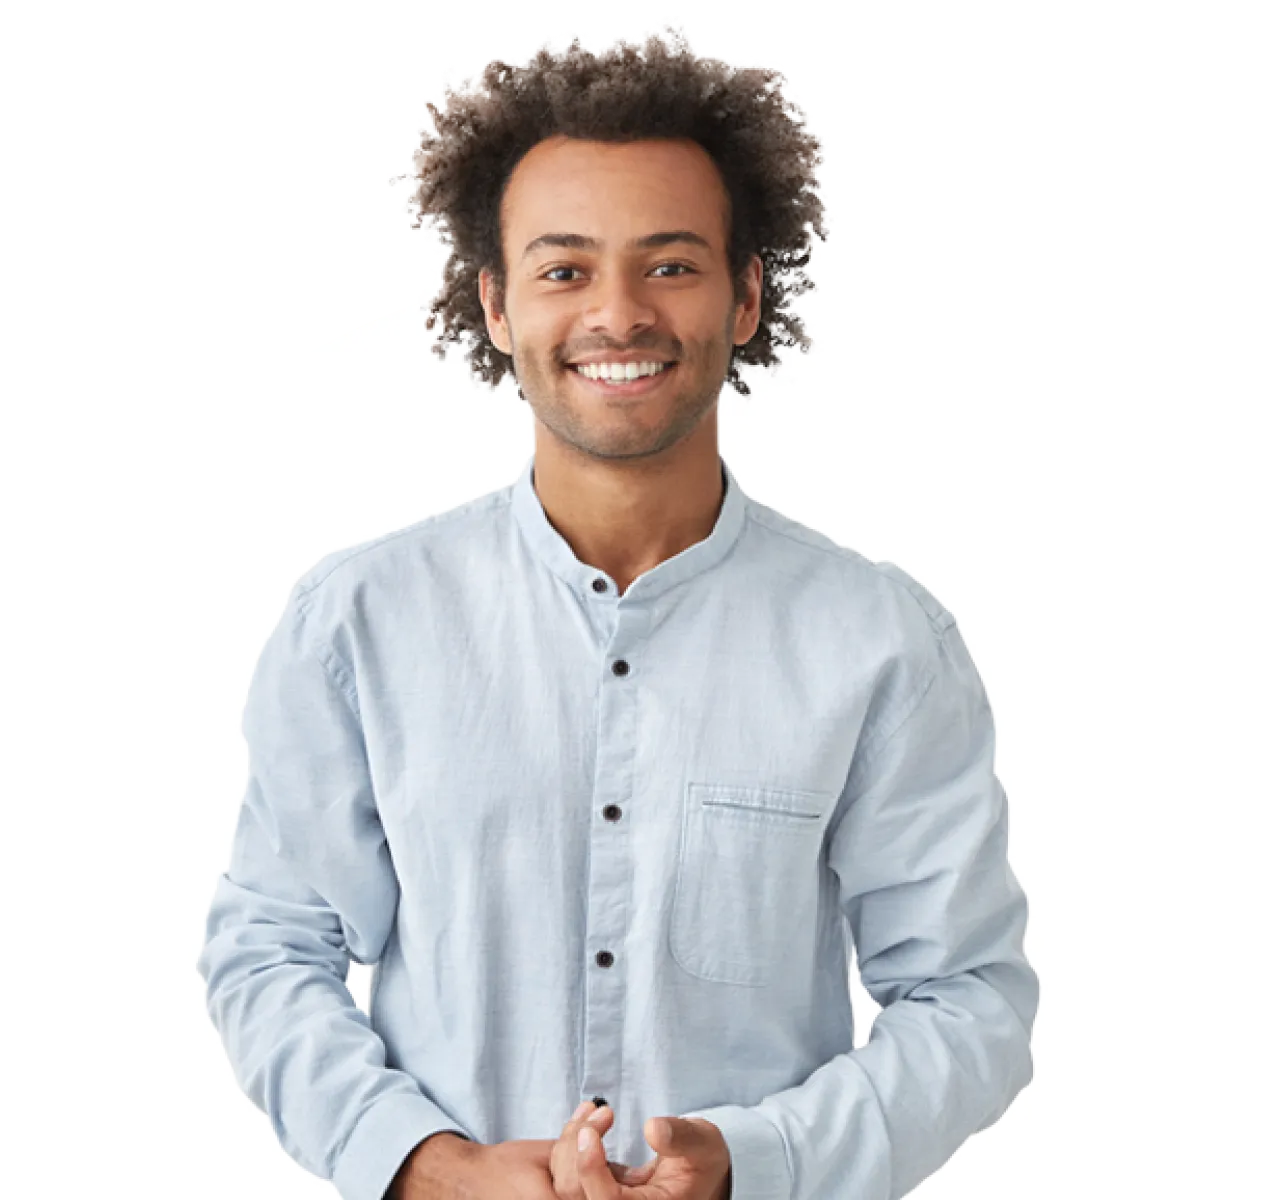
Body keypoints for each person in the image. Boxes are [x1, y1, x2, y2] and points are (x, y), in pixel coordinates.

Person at [195, 20, 1039, 1200]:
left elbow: (969, 1000)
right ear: (495, 307)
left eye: (672, 263)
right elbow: (271, 948)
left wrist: (760, 1160)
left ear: (746, 296)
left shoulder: (883, 644)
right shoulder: (356, 624)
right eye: (564, 268)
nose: (620, 313)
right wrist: (428, 1167)